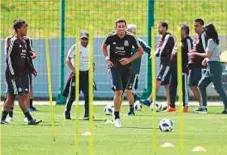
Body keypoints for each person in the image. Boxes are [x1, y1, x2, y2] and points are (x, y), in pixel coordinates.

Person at [102, 19, 143, 128]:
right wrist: (107, 59)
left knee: (122, 92)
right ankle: (116, 117)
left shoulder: (131, 38)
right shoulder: (111, 37)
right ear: (116, 28)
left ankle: (117, 112)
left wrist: (129, 60)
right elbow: (104, 46)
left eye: (123, 26)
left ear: (126, 28)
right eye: (119, 26)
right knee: (119, 91)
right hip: (115, 67)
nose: (121, 29)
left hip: (127, 68)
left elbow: (140, 51)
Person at [0, 19, 41, 125]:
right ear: (18, 29)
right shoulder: (13, 41)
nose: (26, 28)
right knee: (19, 95)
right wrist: (12, 73)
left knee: (12, 97)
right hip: (13, 75)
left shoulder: (24, 41)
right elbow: (8, 57)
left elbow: (28, 55)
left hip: (22, 74)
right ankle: (30, 119)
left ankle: (2, 119)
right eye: (24, 27)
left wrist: (32, 66)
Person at [189, 23, 227, 114]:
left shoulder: (211, 40)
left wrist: (195, 53)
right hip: (211, 65)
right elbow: (211, 55)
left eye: (205, 31)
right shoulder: (214, 40)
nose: (204, 33)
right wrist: (206, 59)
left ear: (208, 31)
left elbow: (208, 54)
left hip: (214, 66)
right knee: (201, 84)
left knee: (219, 88)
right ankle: (203, 107)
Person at [140, 21, 174, 108]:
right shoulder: (162, 38)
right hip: (163, 63)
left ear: (165, 28)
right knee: (166, 83)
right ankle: (170, 104)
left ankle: (150, 100)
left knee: (158, 79)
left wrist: (156, 53)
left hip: (168, 64)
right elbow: (158, 48)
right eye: (158, 27)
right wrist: (155, 52)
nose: (158, 29)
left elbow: (162, 49)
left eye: (160, 27)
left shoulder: (168, 37)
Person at [64, 31, 94, 120]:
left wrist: (92, 66)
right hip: (77, 75)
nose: (84, 41)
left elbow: (90, 59)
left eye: (86, 39)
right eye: (82, 39)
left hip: (87, 74)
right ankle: (67, 111)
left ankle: (87, 114)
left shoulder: (90, 47)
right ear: (79, 39)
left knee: (88, 95)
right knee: (73, 95)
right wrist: (74, 70)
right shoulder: (75, 47)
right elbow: (68, 60)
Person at [167, 24, 193, 112]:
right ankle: (172, 106)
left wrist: (188, 66)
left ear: (184, 31)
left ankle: (185, 106)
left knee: (183, 88)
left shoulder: (188, 40)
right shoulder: (179, 40)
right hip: (174, 69)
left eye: (180, 30)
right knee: (172, 86)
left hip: (183, 68)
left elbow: (190, 53)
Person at [127, 24, 151, 102]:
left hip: (134, 70)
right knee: (123, 89)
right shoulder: (123, 42)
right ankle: (136, 99)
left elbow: (149, 50)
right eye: (129, 31)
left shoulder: (139, 42)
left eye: (132, 32)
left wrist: (153, 53)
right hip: (123, 69)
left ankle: (133, 106)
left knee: (129, 89)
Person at [188, 19, 206, 106]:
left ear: (202, 26)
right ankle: (201, 104)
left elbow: (207, 51)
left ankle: (203, 105)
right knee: (191, 85)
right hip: (193, 65)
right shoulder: (196, 36)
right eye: (194, 26)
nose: (195, 28)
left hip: (200, 65)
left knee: (199, 85)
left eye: (197, 26)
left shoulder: (204, 36)